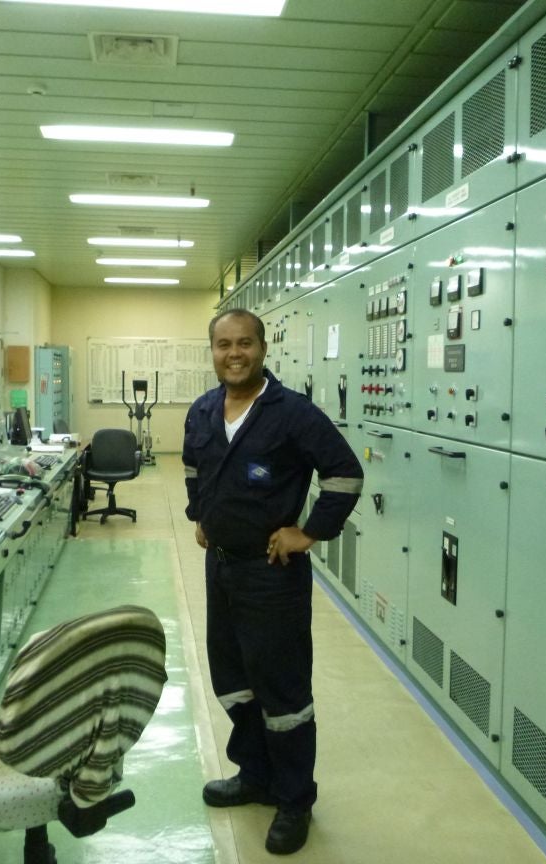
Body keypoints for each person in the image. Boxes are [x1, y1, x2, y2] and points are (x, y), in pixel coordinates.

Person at [183, 309, 363, 855]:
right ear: (211, 350)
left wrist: (307, 533)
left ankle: (294, 800)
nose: (233, 354)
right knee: (234, 679)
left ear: (263, 348)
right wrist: (202, 516)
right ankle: (255, 774)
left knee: (282, 691)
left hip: (272, 574)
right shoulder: (204, 409)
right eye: (222, 345)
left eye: (244, 344)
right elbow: (195, 467)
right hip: (222, 565)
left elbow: (346, 474)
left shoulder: (294, 414)